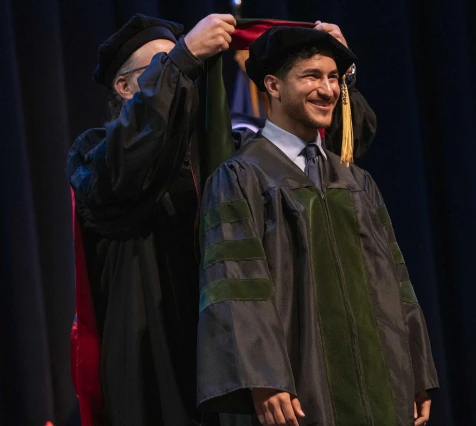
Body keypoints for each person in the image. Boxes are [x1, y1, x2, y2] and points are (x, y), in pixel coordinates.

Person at [66, 13, 377, 426]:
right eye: (164, 64)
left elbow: (325, 160)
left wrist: (335, 72)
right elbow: (135, 158)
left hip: (232, 355)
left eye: (182, 65)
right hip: (151, 352)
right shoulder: (97, 153)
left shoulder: (228, 153)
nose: (181, 73)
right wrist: (185, 57)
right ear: (124, 87)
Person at [196, 27, 439, 426]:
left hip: (380, 384)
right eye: (311, 76)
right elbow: (236, 282)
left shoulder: (355, 181)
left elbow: (395, 280)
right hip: (294, 390)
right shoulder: (241, 177)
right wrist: (263, 378)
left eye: (333, 78)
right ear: (273, 86)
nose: (327, 90)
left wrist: (417, 369)